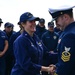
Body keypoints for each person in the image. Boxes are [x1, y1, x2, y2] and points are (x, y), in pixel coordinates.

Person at [49, 5, 75, 75]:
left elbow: (65, 66)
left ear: (65, 17)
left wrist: (55, 72)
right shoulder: (68, 32)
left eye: (57, 20)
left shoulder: (69, 35)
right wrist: (57, 66)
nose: (56, 24)